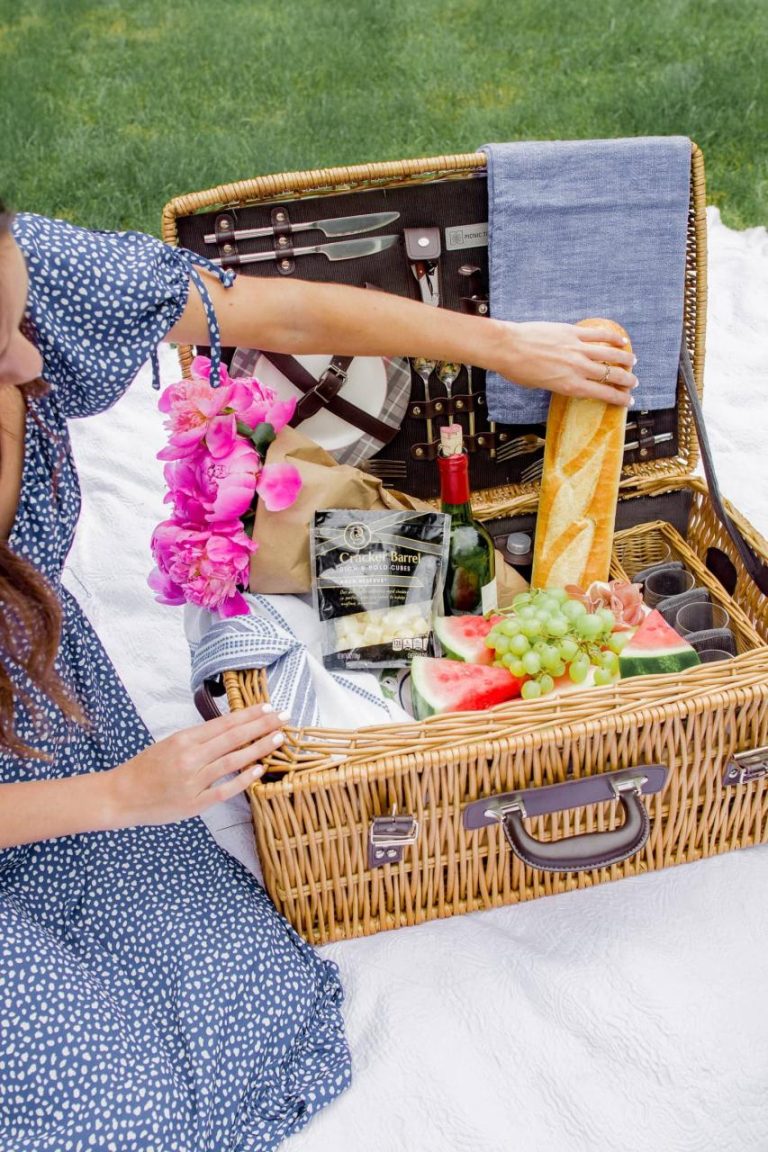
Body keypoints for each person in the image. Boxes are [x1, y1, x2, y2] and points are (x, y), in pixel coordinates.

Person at [0, 203, 637, 1151]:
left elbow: (281, 315)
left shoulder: (28, 267)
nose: (32, 363)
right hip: (63, 789)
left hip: (36, 703)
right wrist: (122, 794)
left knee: (236, 1010)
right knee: (107, 1115)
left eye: (18, 318)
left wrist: (503, 345)